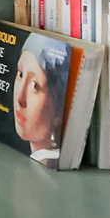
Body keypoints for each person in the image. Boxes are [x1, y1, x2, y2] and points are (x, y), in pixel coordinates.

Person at [12, 32, 70, 165]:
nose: (20, 99)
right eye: (20, 74)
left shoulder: (49, 162)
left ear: (60, 108)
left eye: (35, 86)